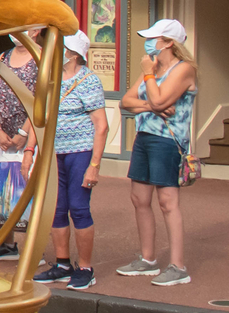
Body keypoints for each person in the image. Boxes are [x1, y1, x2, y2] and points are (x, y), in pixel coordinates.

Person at [116, 19, 196, 285]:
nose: (149, 43)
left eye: (154, 39)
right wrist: (151, 106)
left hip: (168, 141)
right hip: (144, 137)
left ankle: (178, 266)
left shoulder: (184, 69)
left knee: (167, 202)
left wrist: (150, 79)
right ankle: (148, 260)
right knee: (139, 198)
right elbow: (126, 102)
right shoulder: (152, 66)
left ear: (169, 43)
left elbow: (162, 98)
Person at [35, 31, 110, 290]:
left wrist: (94, 166)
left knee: (78, 208)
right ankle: (63, 264)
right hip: (54, 154)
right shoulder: (50, 79)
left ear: (74, 53)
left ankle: (86, 268)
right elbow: (39, 117)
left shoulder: (88, 81)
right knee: (56, 209)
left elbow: (101, 126)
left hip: (79, 153)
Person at [0, 30, 45, 259]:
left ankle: (35, 250)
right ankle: (6, 243)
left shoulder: (42, 59)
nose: (18, 32)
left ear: (35, 31)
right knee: (1, 187)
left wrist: (24, 132)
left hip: (30, 133)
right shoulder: (3, 57)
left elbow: (40, 99)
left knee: (29, 187)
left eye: (24, 28)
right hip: (2, 136)